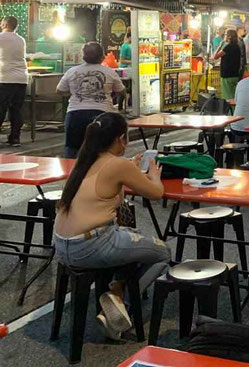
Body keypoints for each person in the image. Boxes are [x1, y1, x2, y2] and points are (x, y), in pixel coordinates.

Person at [53, 113, 170, 340]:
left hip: (63, 246)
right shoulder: (117, 164)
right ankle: (119, 303)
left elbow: (108, 189)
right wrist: (154, 175)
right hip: (92, 245)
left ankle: (116, 288)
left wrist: (130, 168)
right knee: (163, 253)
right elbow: (156, 193)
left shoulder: (84, 160)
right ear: (120, 139)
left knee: (131, 235)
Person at [57, 42, 124, 158]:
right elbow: (121, 91)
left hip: (75, 115)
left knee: (73, 150)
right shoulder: (110, 72)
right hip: (103, 115)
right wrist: (120, 107)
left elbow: (59, 90)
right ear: (103, 57)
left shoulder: (72, 71)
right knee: (103, 150)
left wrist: (74, 94)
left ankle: (73, 174)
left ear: (83, 56)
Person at [0, 16, 28, 147]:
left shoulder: (1, 37)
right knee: (16, 109)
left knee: (1, 108)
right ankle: (15, 138)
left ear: (5, 24)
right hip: (21, 78)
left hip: (5, 78)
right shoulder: (20, 39)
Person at [213, 29, 243, 100]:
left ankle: (230, 111)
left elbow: (215, 57)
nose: (224, 36)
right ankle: (234, 110)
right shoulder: (237, 46)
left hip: (227, 75)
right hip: (235, 74)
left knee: (227, 96)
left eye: (225, 35)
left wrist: (220, 46)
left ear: (229, 37)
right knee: (233, 95)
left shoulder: (228, 47)